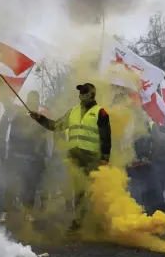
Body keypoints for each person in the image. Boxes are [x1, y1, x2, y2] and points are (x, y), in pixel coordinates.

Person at [30, 82, 111, 231]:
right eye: (80, 92)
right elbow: (55, 126)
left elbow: (106, 136)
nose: (81, 95)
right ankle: (79, 221)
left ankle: (94, 220)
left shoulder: (101, 112)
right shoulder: (72, 112)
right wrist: (39, 119)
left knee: (92, 189)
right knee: (78, 189)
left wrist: (105, 157)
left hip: (92, 157)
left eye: (84, 92)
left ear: (91, 94)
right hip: (75, 156)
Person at [0, 91, 48, 222]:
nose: (33, 102)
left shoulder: (40, 119)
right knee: (11, 184)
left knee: (30, 187)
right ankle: (5, 211)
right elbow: (13, 135)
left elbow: (43, 140)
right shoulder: (19, 116)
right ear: (27, 100)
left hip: (32, 159)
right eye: (31, 99)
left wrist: (42, 155)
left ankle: (28, 211)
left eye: (35, 100)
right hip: (17, 157)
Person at [127, 120, 165, 215]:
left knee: (153, 185)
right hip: (132, 164)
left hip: (147, 163)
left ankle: (157, 212)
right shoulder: (127, 123)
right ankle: (136, 212)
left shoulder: (151, 125)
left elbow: (157, 144)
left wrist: (149, 158)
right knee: (135, 188)